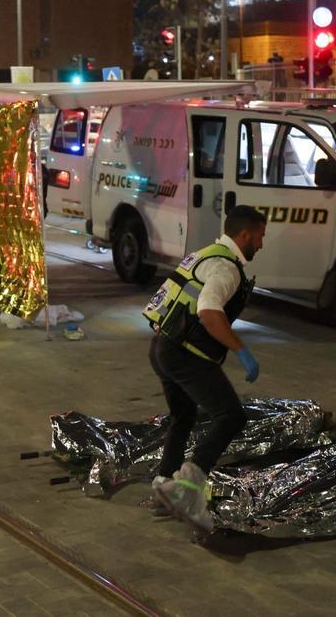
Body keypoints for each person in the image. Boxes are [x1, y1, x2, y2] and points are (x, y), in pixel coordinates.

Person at [141, 205, 267, 533]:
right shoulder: (227, 268)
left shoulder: (205, 253)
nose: (261, 245)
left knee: (183, 416)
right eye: (259, 237)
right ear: (244, 235)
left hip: (162, 348)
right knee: (231, 416)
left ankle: (164, 487)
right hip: (185, 354)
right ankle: (186, 488)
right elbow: (209, 312)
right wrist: (242, 351)